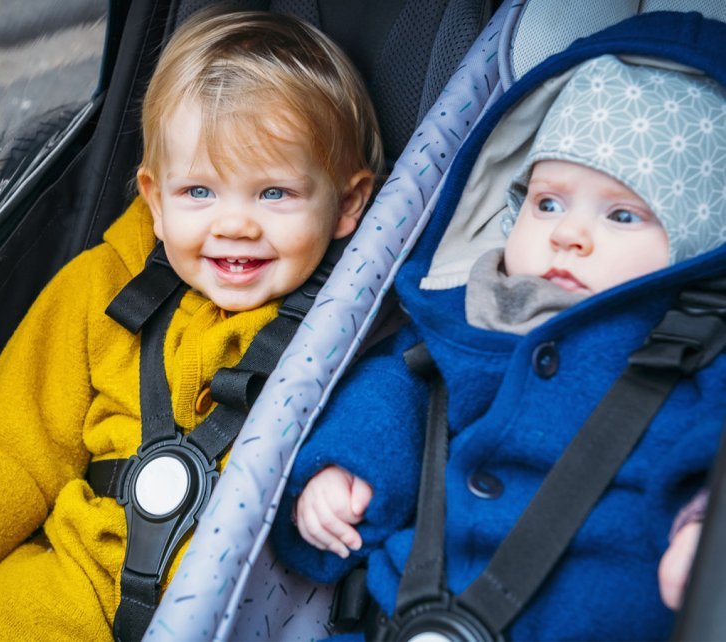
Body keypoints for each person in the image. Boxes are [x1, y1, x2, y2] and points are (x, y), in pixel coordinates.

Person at [272, 53, 726, 640]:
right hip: (411, 614)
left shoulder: (703, 354)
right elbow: (399, 390)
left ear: (700, 243)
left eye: (621, 215)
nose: (568, 235)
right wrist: (344, 470)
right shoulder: (472, 314)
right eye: (548, 204)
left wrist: (702, 528)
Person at [0, 8, 384, 640]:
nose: (234, 224)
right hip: (67, 587)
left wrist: (343, 475)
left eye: (274, 194)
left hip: (231, 612)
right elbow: (17, 444)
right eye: (199, 192)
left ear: (346, 204)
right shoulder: (101, 288)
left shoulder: (349, 325)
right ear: (154, 198)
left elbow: (380, 422)